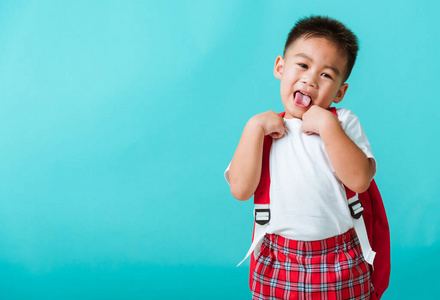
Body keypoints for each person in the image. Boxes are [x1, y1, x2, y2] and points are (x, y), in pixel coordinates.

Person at [224, 16, 376, 299]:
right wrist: (253, 128)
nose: (310, 79)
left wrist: (328, 126)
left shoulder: (343, 122)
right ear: (280, 67)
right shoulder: (263, 129)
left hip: (340, 258)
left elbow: (360, 180)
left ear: (340, 92)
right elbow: (240, 190)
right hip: (277, 258)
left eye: (327, 75)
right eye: (303, 65)